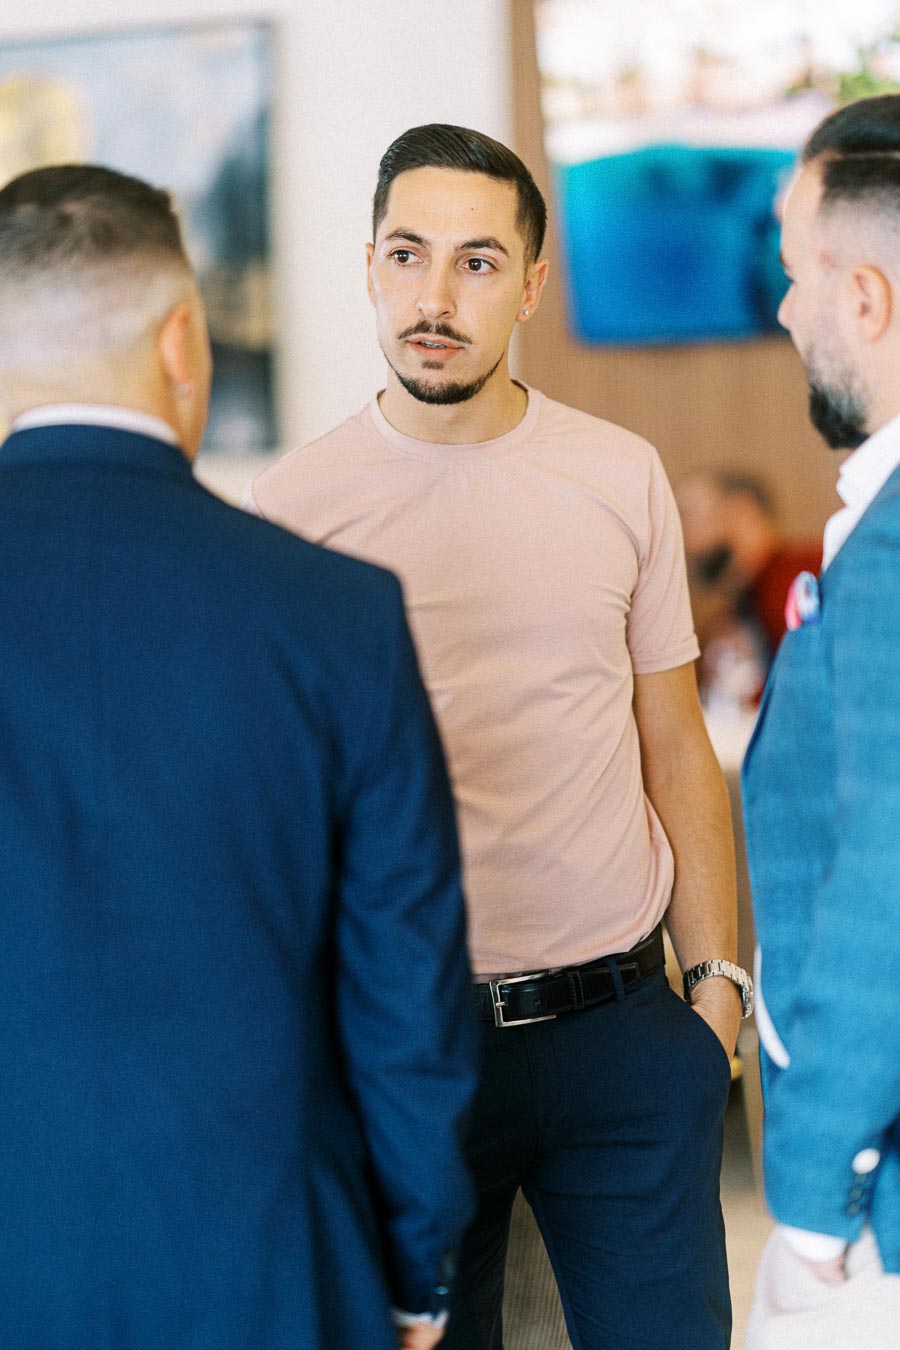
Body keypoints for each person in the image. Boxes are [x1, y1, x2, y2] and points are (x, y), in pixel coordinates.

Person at [250, 123, 753, 1350]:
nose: (435, 296)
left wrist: (718, 1001)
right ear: (368, 264)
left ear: (531, 283)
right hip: (407, 1051)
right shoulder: (292, 514)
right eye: (409, 255)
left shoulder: (618, 473)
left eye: (477, 262)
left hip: (625, 1035)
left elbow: (675, 745)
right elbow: (274, 816)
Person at [0, 164, 476, 1350]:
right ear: (179, 341)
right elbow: (406, 988)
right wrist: (416, 1266)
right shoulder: (335, 613)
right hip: (266, 1259)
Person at [741, 94, 900, 1350]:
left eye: (796, 274)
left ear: (866, 298)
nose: (784, 310)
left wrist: (804, 1206)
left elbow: (885, 888)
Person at [676, 471, 822, 709]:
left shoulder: (801, 579)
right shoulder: (735, 611)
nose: (683, 536)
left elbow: (810, 685)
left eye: (689, 515)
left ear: (741, 509)